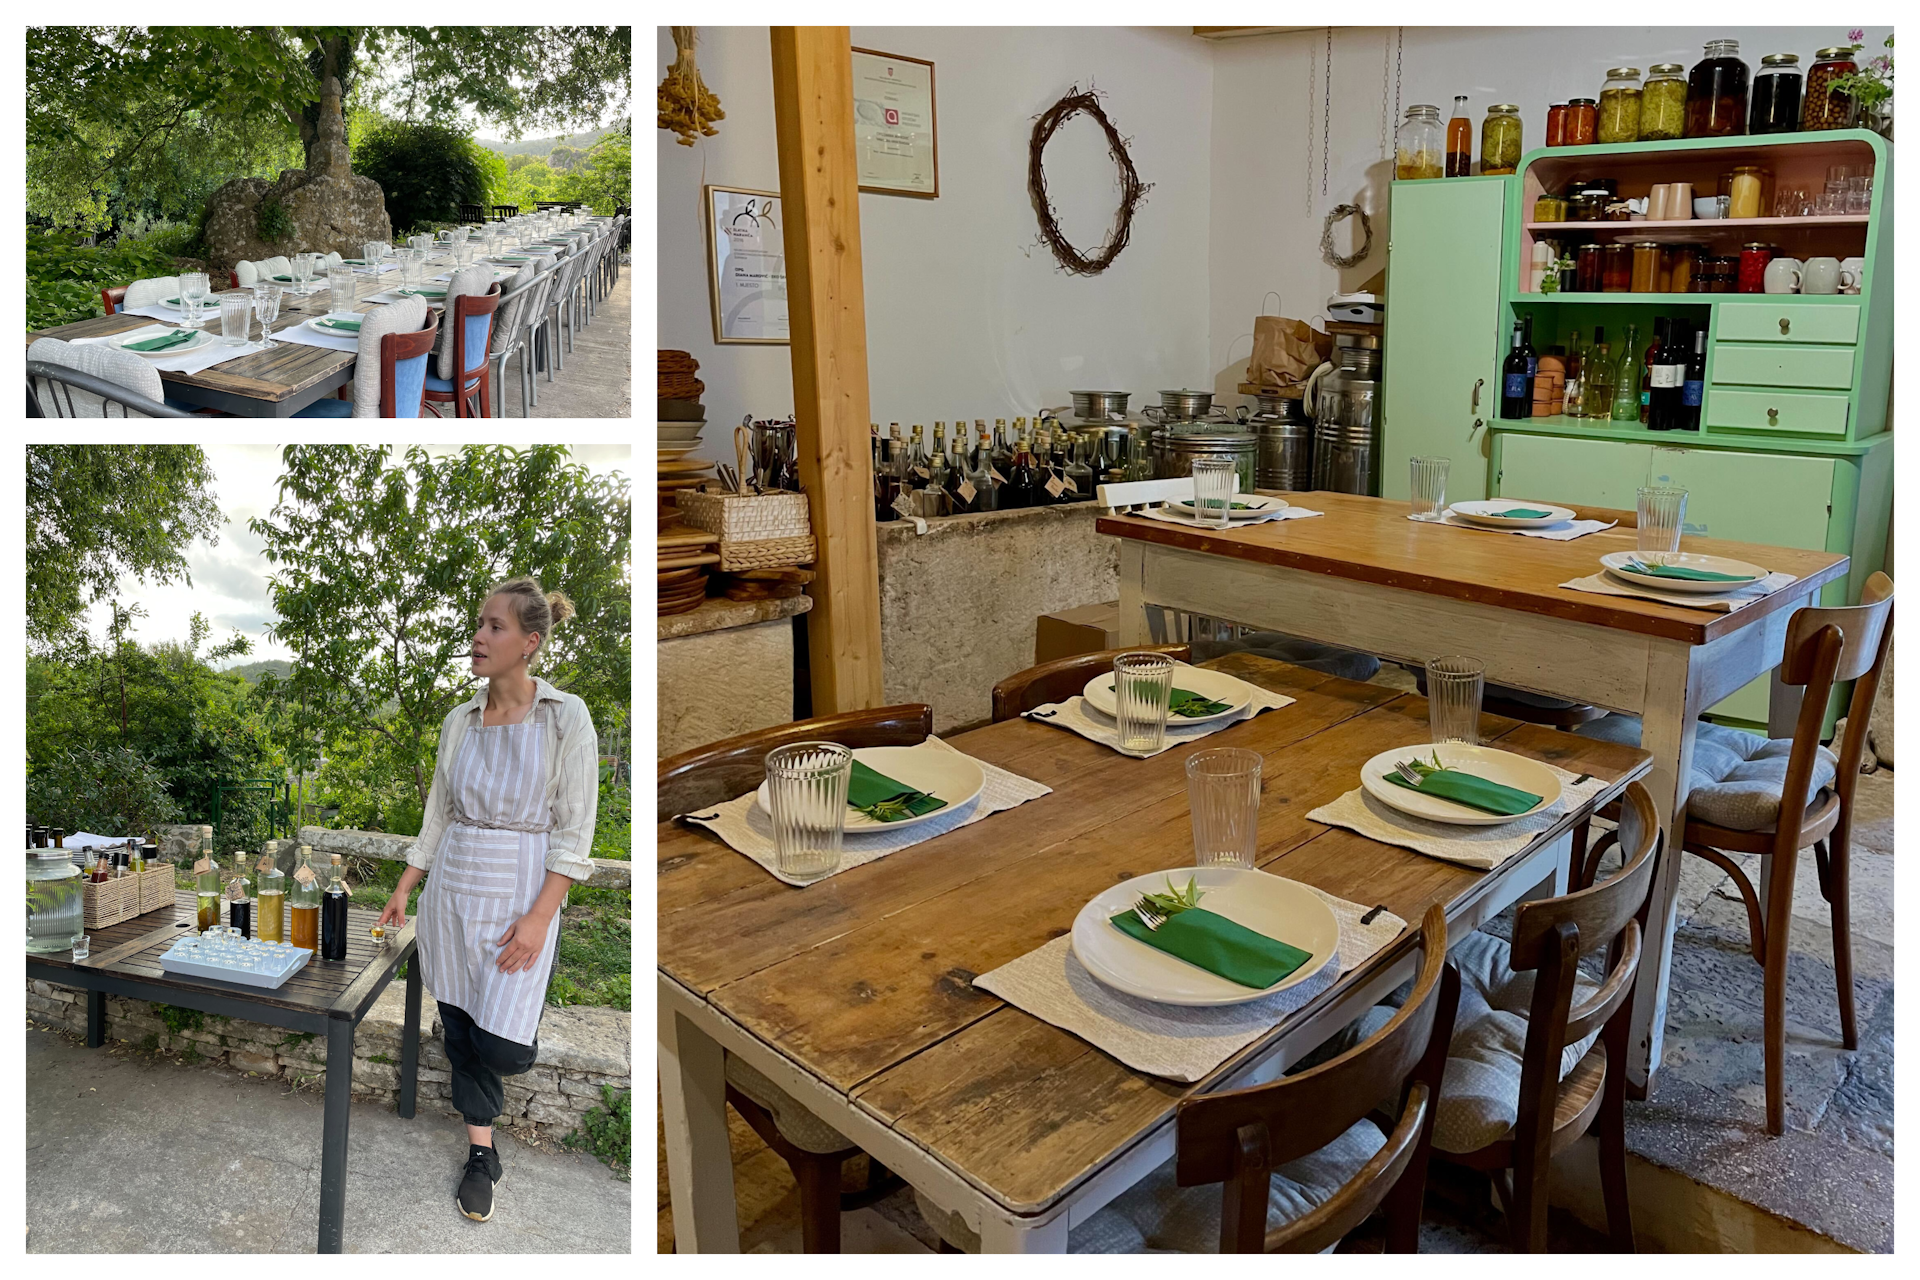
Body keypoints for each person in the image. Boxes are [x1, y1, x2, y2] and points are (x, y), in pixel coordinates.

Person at [377, 576, 599, 1222]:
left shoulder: (566, 718)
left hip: (520, 894)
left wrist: (538, 918)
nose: (478, 636)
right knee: (460, 1030)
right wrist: (404, 887)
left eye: (494, 627)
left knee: (502, 1045)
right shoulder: (458, 722)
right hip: (453, 891)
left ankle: (488, 1109)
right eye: (479, 623)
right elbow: (438, 815)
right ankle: (482, 1154)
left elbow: (575, 830)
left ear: (529, 642)